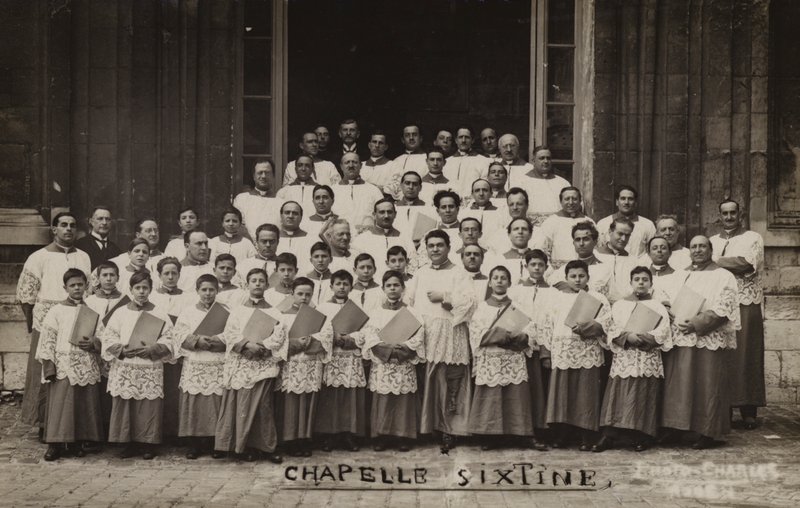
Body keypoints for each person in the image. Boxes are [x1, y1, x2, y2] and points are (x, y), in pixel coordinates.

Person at [661, 235, 740, 449]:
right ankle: (678, 428)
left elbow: (725, 306)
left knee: (708, 384)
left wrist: (697, 323)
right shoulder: (680, 274)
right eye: (694, 246)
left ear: (710, 250)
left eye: (702, 246)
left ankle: (709, 432)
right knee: (680, 384)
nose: (697, 250)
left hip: (707, 336)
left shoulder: (724, 276)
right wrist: (667, 310)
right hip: (681, 336)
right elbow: (666, 297)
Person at [17, 212, 92, 431]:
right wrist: (36, 324)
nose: (68, 229)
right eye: (63, 225)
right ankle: (43, 422)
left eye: (72, 225)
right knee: (44, 371)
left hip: (76, 320)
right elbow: (26, 295)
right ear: (54, 229)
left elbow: (89, 290)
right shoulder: (38, 257)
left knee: (74, 373)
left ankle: (72, 425)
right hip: (48, 323)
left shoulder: (84, 257)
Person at [407, 230, 475, 451]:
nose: (435, 249)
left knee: (449, 380)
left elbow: (471, 303)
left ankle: (449, 429)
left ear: (448, 247)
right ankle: (427, 427)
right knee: (426, 379)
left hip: (450, 332)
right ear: (426, 249)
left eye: (440, 245)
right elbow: (409, 301)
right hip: (426, 333)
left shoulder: (459, 273)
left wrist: (445, 297)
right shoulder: (420, 273)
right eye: (431, 245)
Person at [593, 267, 672, 452]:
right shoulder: (620, 305)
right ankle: (610, 435)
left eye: (645, 279)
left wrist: (643, 339)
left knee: (644, 394)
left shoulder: (658, 306)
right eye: (637, 279)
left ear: (651, 283)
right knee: (618, 394)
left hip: (647, 356)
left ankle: (642, 436)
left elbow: (664, 330)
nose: (641, 282)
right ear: (631, 283)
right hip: (625, 356)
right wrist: (627, 337)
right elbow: (611, 327)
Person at [538, 260, 611, 450]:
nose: (577, 280)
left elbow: (607, 322)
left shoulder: (598, 298)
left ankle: (586, 435)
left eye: (581, 276)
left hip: (588, 351)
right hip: (563, 351)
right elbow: (547, 325)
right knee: (563, 394)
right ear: (566, 278)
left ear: (588, 277)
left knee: (586, 394)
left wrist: (590, 327)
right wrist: (546, 353)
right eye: (573, 276)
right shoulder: (557, 298)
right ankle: (563, 434)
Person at [215, 268, 286, 463]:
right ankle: (242, 446)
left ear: (267, 285)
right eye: (253, 280)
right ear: (247, 284)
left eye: (261, 281)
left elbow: (279, 335)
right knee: (242, 405)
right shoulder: (237, 311)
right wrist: (247, 345)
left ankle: (266, 447)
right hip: (241, 362)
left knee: (263, 406)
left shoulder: (274, 311)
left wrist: (261, 346)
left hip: (262, 363)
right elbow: (230, 333)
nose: (257, 284)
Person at [100, 271, 174, 459]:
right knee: (125, 403)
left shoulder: (159, 312)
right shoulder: (120, 312)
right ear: (131, 290)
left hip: (149, 365)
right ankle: (125, 442)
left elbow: (169, 338)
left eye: (145, 288)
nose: (141, 292)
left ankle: (147, 443)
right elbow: (109, 336)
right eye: (137, 288)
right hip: (126, 365)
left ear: (150, 289)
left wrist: (153, 349)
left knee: (148, 405)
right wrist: (121, 350)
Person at [35, 268, 104, 461]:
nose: (77, 288)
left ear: (86, 286)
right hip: (63, 365)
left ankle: (75, 443)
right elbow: (47, 339)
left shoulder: (92, 312)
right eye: (72, 285)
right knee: (61, 405)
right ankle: (55, 445)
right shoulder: (56, 311)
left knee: (81, 405)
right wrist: (49, 366)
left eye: (80, 284)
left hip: (85, 363)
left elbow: (102, 335)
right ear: (65, 287)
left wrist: (94, 343)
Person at [710, 199, 766, 429]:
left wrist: (714, 261)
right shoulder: (712, 241)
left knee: (747, 354)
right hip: (722, 302)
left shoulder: (753, 238)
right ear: (719, 216)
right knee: (724, 355)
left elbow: (745, 264)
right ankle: (724, 408)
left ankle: (748, 410)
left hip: (746, 302)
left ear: (740, 215)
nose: (729, 217)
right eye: (725, 213)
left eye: (733, 213)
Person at [468, 266, 537, 449]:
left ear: (509, 283)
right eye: (496, 278)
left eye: (503, 278)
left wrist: (520, 336)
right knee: (491, 396)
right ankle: (490, 436)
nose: (499, 281)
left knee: (516, 394)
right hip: (491, 358)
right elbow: (476, 332)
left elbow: (530, 329)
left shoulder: (517, 307)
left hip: (512, 357)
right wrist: (502, 334)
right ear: (490, 283)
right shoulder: (482, 308)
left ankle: (520, 433)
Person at [359, 270, 425, 451]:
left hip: (403, 363)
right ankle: (382, 436)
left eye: (396, 285)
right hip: (383, 364)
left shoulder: (412, 312)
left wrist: (401, 350)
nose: (393, 288)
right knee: (383, 398)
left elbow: (418, 337)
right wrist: (387, 351)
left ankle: (403, 436)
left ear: (403, 288)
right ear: (383, 289)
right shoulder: (376, 313)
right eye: (389, 285)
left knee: (403, 399)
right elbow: (370, 336)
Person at [171, 274, 228, 459]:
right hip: (195, 362)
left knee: (215, 403)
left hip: (216, 362)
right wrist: (196, 340)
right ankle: (194, 444)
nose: (208, 293)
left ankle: (215, 443)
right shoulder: (188, 312)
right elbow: (178, 334)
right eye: (204, 289)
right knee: (195, 403)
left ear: (217, 291)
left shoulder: (226, 312)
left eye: (211, 289)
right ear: (197, 291)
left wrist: (217, 340)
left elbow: (233, 332)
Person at [314, 269, 367, 451]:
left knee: (350, 395)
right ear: (331, 286)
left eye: (345, 284)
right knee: (331, 396)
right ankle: (330, 436)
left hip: (350, 356)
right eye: (338, 284)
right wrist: (332, 337)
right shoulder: (322, 308)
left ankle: (349, 435)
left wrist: (349, 339)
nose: (342, 287)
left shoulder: (357, 308)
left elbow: (364, 331)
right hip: (332, 357)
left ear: (351, 287)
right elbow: (317, 330)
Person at [278, 277, 332, 457]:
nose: (303, 298)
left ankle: (305, 438)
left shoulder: (318, 317)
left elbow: (327, 337)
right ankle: (290, 439)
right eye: (300, 294)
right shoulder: (282, 315)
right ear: (292, 293)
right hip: (291, 364)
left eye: (308, 295)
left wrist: (310, 341)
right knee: (291, 400)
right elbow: (278, 340)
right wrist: (295, 343)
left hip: (311, 364)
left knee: (309, 399)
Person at [507, 249, 553, 445]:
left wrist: (545, 347)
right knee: (521, 388)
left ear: (546, 267)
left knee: (539, 387)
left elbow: (552, 319)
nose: (536, 268)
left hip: (542, 344)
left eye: (540, 265)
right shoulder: (515, 291)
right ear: (526, 266)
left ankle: (540, 429)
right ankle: (518, 429)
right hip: (520, 343)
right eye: (533, 264)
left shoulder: (553, 293)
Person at [84, 261, 125, 438]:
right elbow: (85, 326)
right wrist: (95, 342)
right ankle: (97, 429)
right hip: (94, 350)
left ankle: (114, 428)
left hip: (116, 350)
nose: (108, 279)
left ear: (118, 277)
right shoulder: (89, 301)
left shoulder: (125, 301)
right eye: (105, 275)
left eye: (112, 275)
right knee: (97, 389)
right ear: (98, 279)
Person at [533, 186, 594, 269]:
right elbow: (542, 250)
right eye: (567, 199)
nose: (571, 202)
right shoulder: (550, 222)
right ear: (561, 201)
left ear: (580, 201)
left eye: (574, 199)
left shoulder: (589, 221)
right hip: (558, 270)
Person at [545, 221, 611, 296]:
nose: (581, 243)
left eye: (586, 239)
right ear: (573, 243)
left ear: (595, 242)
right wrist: (565, 286)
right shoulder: (566, 268)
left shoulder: (604, 269)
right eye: (578, 240)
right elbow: (549, 282)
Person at [351, 198, 415, 275]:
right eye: (382, 212)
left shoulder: (405, 239)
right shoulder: (361, 240)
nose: (386, 216)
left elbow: (412, 266)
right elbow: (354, 267)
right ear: (374, 215)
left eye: (389, 212)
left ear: (395, 214)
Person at [597, 186, 656, 258]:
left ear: (635, 202)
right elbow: (598, 249)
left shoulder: (648, 225)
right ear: (617, 202)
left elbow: (653, 250)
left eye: (630, 199)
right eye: (623, 198)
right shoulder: (603, 223)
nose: (626, 202)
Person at [517, 146, 571, 225]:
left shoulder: (562, 183)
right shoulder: (522, 182)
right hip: (532, 226)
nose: (545, 161)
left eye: (548, 158)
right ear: (533, 160)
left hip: (557, 225)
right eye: (541, 158)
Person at [232, 159, 283, 240]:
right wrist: (251, 244)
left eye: (267, 173)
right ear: (254, 176)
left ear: (273, 176)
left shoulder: (281, 202)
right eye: (260, 173)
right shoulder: (242, 199)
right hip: (248, 244)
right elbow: (238, 224)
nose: (263, 176)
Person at [332, 153, 384, 231]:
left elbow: (382, 216)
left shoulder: (373, 190)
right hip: (340, 235)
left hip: (366, 235)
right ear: (341, 166)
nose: (351, 165)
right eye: (347, 162)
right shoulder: (332, 190)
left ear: (361, 165)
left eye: (355, 162)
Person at [595, 217, 637, 304]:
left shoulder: (633, 261)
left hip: (624, 305)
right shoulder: (595, 255)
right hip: (598, 303)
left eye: (627, 235)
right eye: (620, 234)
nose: (623, 239)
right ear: (610, 232)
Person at [443, 126, 489, 197]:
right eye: (460, 137)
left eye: (467, 137)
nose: (463, 140)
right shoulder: (447, 162)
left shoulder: (483, 161)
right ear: (456, 140)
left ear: (472, 140)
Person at [393, 171, 436, 241]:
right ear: (401, 186)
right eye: (407, 183)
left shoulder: (429, 208)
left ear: (420, 187)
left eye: (415, 184)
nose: (411, 187)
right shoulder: (393, 208)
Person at [276, 201, 313, 272]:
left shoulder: (310, 239)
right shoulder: (273, 239)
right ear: (281, 216)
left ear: (301, 217)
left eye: (295, 213)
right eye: (287, 212)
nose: (290, 216)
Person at [306, 242, 333, 307]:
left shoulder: (336, 281)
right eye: (316, 256)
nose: (320, 260)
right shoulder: (304, 279)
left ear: (331, 259)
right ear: (311, 260)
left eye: (324, 256)